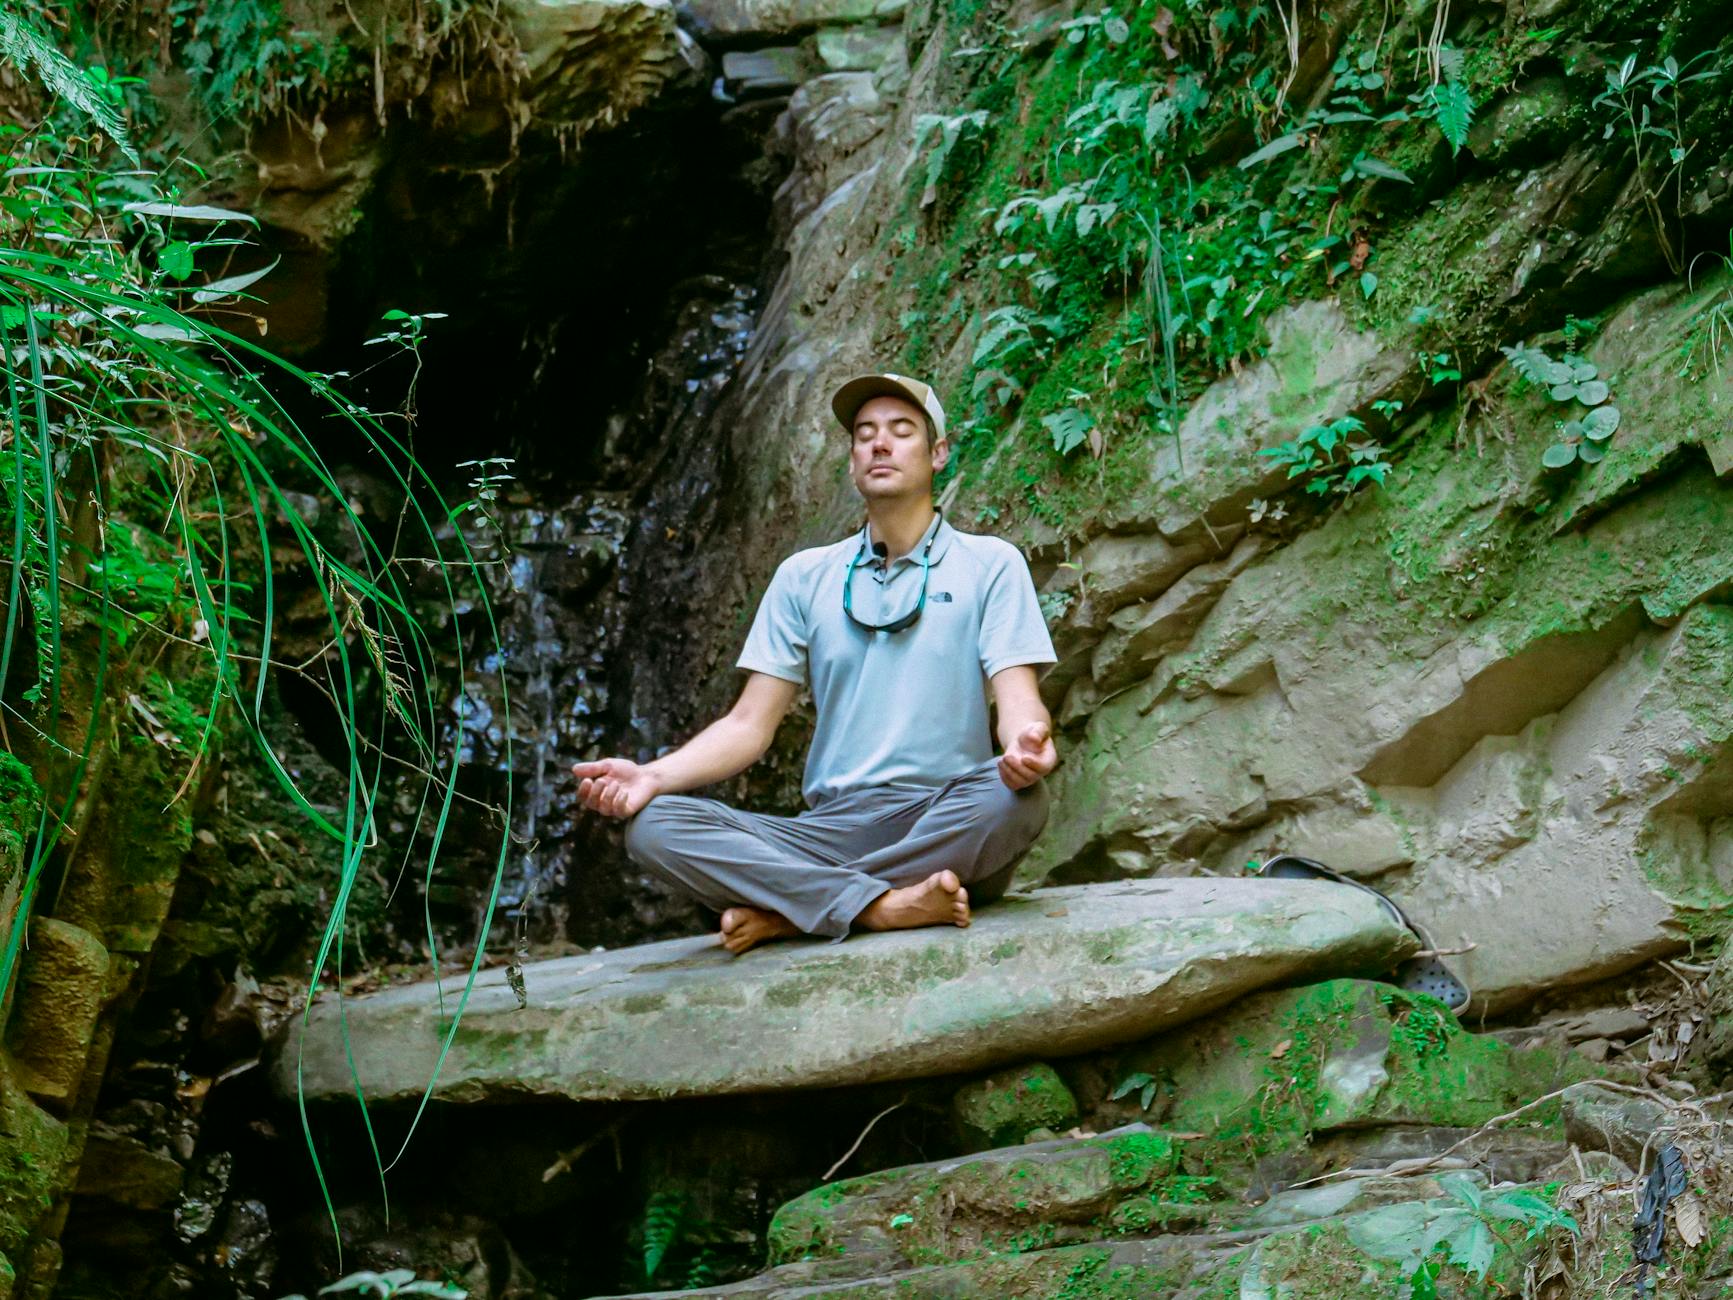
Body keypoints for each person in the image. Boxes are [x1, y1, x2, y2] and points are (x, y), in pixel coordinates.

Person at [572, 373, 1059, 954]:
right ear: (852, 460)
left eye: (902, 432)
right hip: (827, 833)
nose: (880, 444)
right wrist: (652, 776)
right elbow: (748, 725)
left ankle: (795, 913)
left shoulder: (990, 564)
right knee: (655, 827)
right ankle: (879, 907)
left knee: (1015, 799)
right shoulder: (804, 576)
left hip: (943, 816)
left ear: (938, 455)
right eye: (865, 434)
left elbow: (1017, 696)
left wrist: (1027, 745)